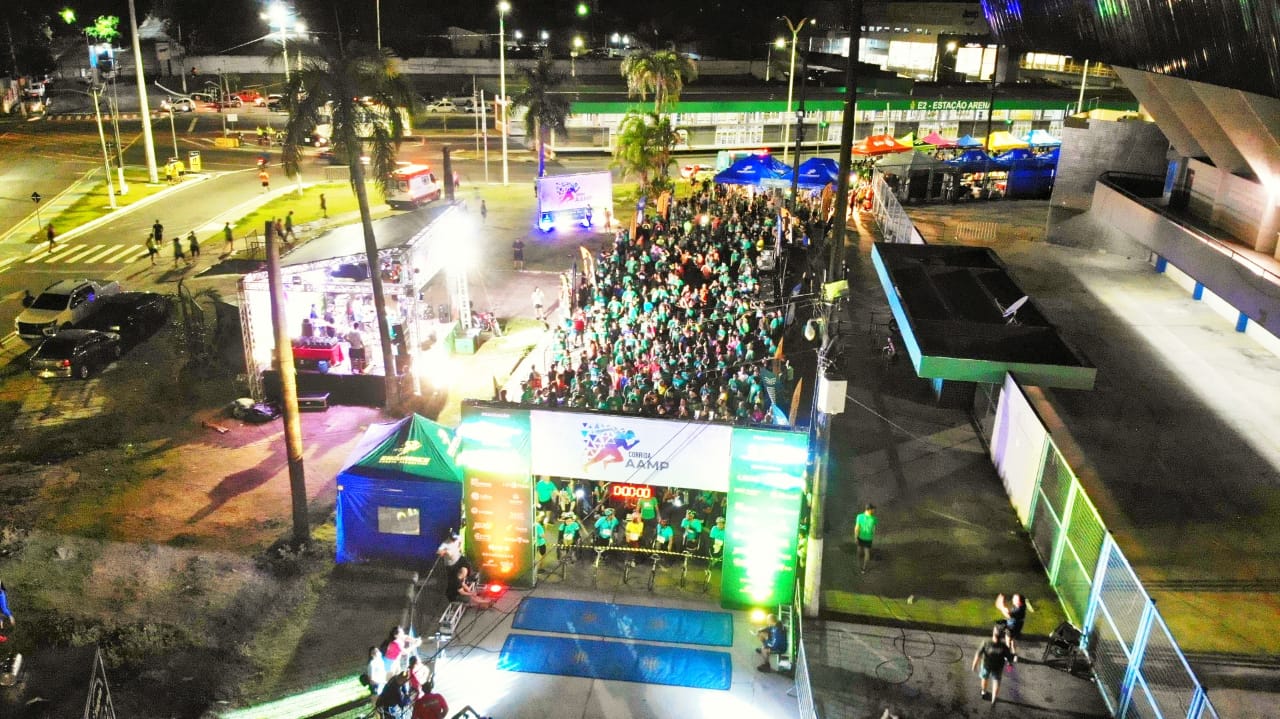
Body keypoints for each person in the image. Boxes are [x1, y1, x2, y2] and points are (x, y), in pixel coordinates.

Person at [971, 623, 1015, 704]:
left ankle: (984, 692)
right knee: (996, 682)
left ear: (993, 634)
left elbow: (978, 655)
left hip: (986, 666)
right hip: (998, 667)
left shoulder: (986, 642)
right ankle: (994, 699)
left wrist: (974, 665)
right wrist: (1009, 669)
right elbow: (1010, 659)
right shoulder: (1004, 646)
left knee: (984, 678)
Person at [996, 592, 1032, 659]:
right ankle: (1015, 654)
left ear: (1019, 602)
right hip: (1017, 627)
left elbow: (1008, 615)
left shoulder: (1018, 610)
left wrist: (1001, 607)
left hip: (1012, 627)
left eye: (1015, 599)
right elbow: (1009, 613)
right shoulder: (1022, 606)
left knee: (1008, 641)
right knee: (1013, 640)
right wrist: (1003, 607)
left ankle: (1007, 655)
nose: (1013, 599)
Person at [854, 503, 877, 573]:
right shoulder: (874, 519)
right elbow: (874, 530)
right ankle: (863, 569)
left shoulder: (859, 516)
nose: (874, 511)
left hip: (860, 537)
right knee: (867, 553)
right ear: (869, 510)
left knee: (859, 550)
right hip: (868, 538)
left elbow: (857, 528)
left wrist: (855, 537)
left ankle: (858, 563)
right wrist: (872, 535)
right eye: (873, 510)